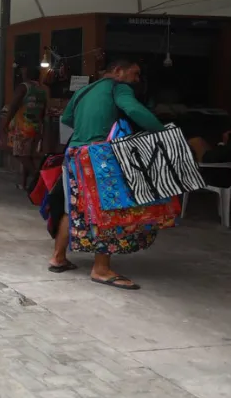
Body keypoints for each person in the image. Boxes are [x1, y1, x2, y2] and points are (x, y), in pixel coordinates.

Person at [53, 58, 166, 291]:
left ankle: (58, 257)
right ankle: (101, 269)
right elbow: (133, 109)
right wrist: (161, 131)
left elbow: (65, 119)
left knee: (72, 207)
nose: (136, 80)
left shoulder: (84, 90)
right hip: (99, 156)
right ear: (117, 71)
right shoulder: (118, 87)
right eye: (134, 73)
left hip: (74, 153)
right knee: (108, 208)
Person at [5, 67, 51, 192]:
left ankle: (41, 180)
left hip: (23, 127)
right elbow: (43, 110)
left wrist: (6, 123)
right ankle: (24, 183)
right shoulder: (42, 90)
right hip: (35, 126)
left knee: (20, 154)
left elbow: (13, 106)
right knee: (28, 155)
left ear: (26, 74)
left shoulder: (23, 87)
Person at [189, 116, 231, 187]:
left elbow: (209, 158)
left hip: (220, 177)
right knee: (198, 141)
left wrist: (224, 143)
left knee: (196, 142)